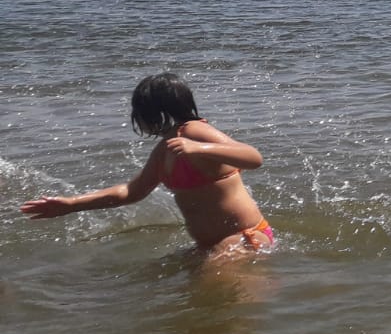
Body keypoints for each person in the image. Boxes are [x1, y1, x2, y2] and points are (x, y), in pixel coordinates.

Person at [21, 73, 273, 256]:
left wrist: (200, 148)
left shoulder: (194, 131)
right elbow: (132, 191)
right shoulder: (164, 150)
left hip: (245, 237)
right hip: (208, 246)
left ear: (152, 112)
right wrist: (72, 204)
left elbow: (253, 157)